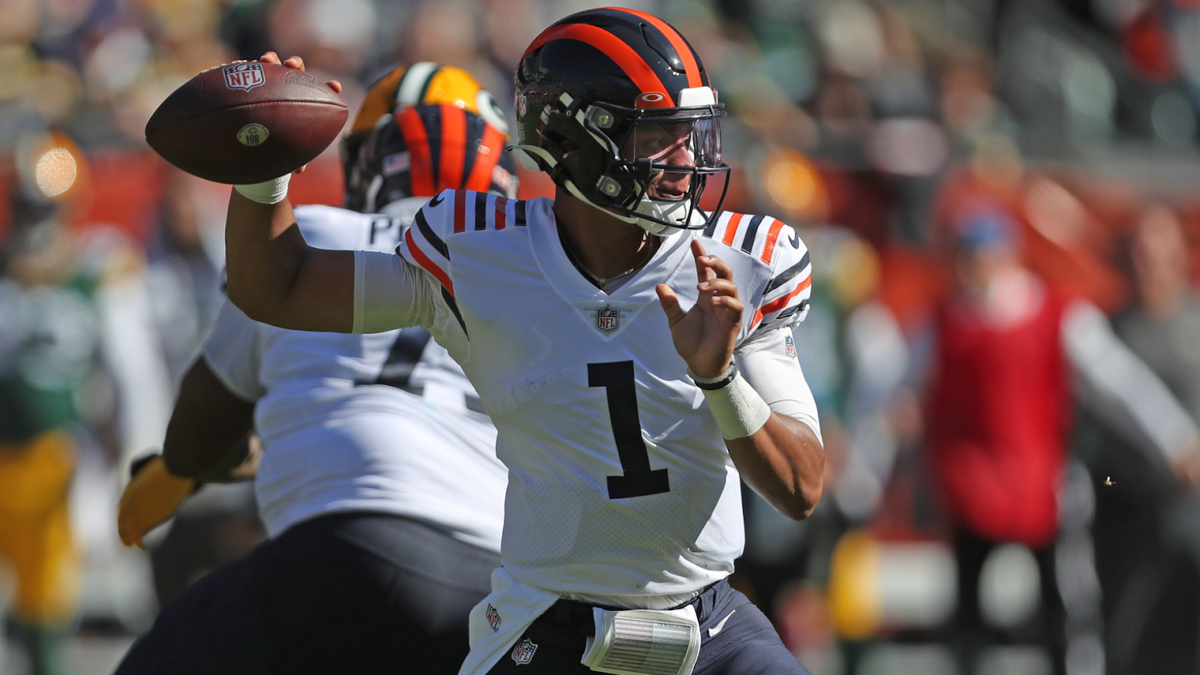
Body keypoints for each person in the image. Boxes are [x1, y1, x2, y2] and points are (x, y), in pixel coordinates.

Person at [221, 8, 825, 675]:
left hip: (711, 626)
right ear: (571, 139)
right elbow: (276, 286)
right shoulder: (479, 254)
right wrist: (261, 170)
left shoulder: (740, 263)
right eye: (658, 135)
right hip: (551, 625)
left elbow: (801, 487)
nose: (687, 162)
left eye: (692, 135)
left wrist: (722, 381)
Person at [113, 65, 515, 675]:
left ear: (369, 161)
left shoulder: (314, 238)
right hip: (492, 587)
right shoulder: (536, 279)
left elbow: (199, 435)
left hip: (332, 552)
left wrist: (183, 470)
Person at [925, 207, 1200, 675]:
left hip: (1041, 489)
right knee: (969, 619)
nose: (974, 267)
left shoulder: (1058, 315)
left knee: (1064, 613)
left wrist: (1176, 440)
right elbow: (907, 390)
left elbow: (1122, 387)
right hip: (974, 488)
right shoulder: (947, 323)